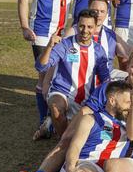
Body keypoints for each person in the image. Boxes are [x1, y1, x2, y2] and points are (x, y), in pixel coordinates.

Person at [15, 51, 133, 172]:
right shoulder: (111, 85)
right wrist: (76, 128)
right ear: (127, 67)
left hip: (122, 134)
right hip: (99, 123)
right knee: (67, 140)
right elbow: (89, 108)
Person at [18, 0, 77, 128]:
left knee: (57, 74)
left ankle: (52, 116)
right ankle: (44, 119)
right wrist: (25, 27)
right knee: (44, 75)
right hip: (42, 32)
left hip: (61, 34)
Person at [35, 9, 110, 137]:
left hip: (86, 98)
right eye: (81, 26)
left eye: (89, 27)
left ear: (95, 28)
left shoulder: (98, 51)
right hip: (62, 92)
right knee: (56, 108)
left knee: (80, 130)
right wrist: (49, 46)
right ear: (76, 26)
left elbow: (105, 79)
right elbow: (41, 67)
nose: (85, 30)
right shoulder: (65, 45)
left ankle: (50, 125)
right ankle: (62, 143)